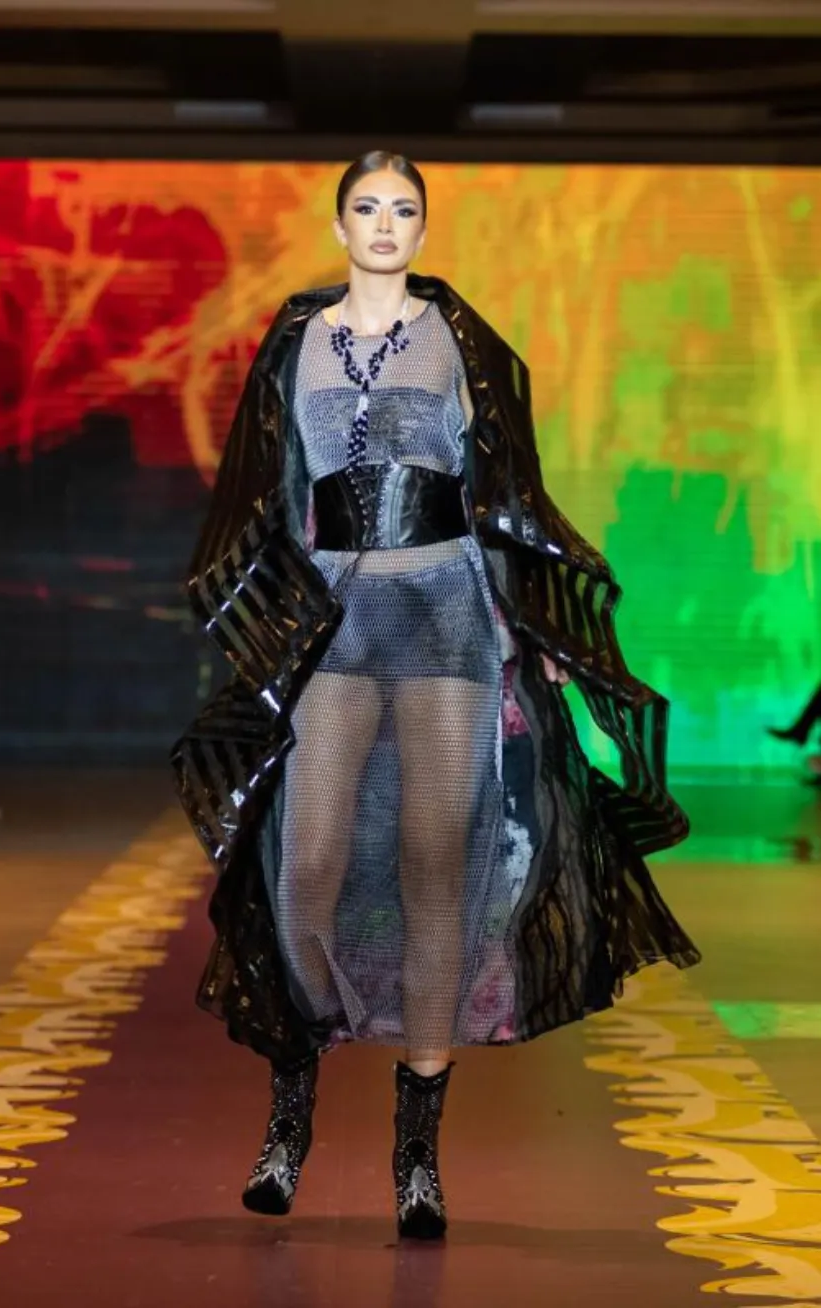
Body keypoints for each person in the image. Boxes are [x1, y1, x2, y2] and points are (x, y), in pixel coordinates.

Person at [172, 150, 699, 1241]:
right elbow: (267, 494)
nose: (383, 224)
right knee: (306, 866)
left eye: (402, 209)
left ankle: (415, 1154)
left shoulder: (463, 344)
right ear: (338, 224)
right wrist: (261, 628)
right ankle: (293, 1102)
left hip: (448, 621)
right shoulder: (295, 342)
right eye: (365, 207)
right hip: (332, 628)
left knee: (433, 871)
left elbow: (504, 495)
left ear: (421, 228)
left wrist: (535, 629)